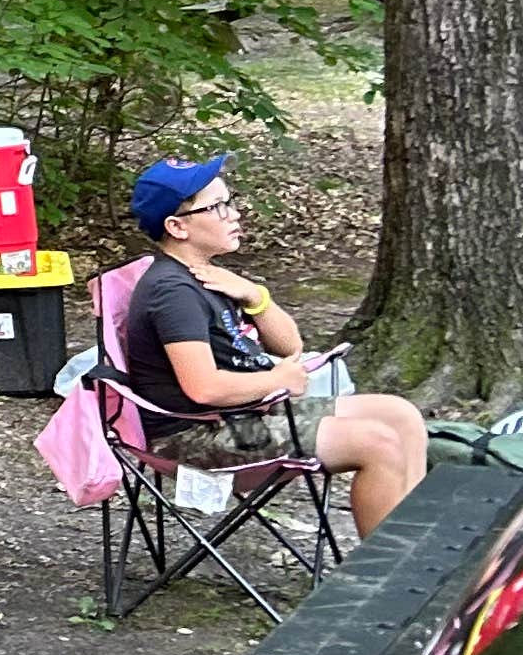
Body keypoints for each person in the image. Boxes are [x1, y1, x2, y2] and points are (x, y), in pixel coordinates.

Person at [121, 156, 425, 537]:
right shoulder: (173, 293)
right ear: (177, 226)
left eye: (231, 201)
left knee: (400, 415)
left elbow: (290, 345)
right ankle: (387, 575)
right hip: (195, 438)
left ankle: (413, 548)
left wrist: (255, 296)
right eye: (217, 207)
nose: (233, 215)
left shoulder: (208, 275)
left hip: (245, 414)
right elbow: (204, 387)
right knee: (377, 443)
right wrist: (276, 379)